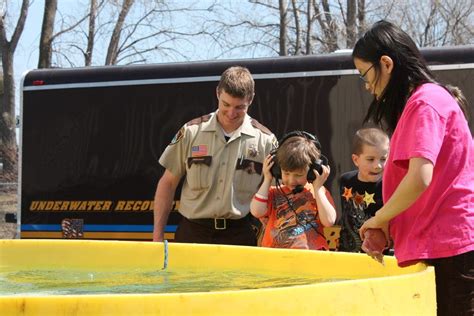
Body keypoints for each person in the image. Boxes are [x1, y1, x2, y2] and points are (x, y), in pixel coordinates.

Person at [353, 20, 473, 315]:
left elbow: (420, 177)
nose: (367, 86)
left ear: (386, 64)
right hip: (444, 244)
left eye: (365, 75)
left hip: (452, 247)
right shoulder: (422, 102)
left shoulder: (425, 103)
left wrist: (379, 218)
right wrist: (390, 227)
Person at [152, 66, 277, 246]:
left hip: (239, 236)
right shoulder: (191, 132)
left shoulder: (266, 141)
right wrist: (157, 238)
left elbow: (275, 195)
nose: (231, 113)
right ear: (218, 93)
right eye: (226, 104)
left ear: (251, 99)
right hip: (193, 234)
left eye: (240, 107)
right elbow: (168, 183)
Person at [250, 131, 337, 250]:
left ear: (312, 171)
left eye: (298, 175)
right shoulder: (273, 192)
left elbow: (329, 221)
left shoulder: (319, 192)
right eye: (286, 173)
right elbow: (256, 211)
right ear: (277, 169)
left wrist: (318, 189)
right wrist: (267, 179)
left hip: (311, 258)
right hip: (277, 258)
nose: (291, 180)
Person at [338, 127, 389, 253]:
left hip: (379, 254)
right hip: (346, 252)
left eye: (383, 159)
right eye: (370, 159)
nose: (378, 166)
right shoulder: (346, 180)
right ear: (356, 160)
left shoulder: (388, 186)